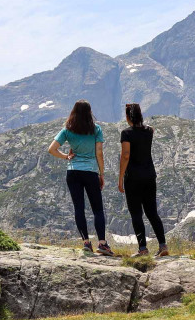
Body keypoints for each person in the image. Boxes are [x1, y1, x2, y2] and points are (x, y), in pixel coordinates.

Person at [48, 100, 114, 256]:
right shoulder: (96, 129)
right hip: (90, 172)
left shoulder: (67, 130)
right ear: (89, 112)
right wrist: (101, 173)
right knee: (97, 209)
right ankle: (102, 244)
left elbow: (51, 149)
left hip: (73, 172)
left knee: (79, 208)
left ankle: (86, 242)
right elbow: (99, 153)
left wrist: (66, 157)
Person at [118, 103, 168, 257]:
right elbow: (148, 129)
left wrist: (120, 178)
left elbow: (126, 155)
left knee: (136, 214)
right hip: (149, 176)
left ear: (128, 117)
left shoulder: (126, 133)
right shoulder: (149, 131)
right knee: (152, 212)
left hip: (133, 178)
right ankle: (163, 245)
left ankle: (143, 249)